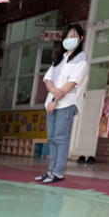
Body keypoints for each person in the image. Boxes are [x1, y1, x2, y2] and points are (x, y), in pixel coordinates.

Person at [38, 24, 88, 184]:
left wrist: (55, 100)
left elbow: (71, 83)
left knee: (60, 137)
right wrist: (53, 91)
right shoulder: (60, 58)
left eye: (73, 36)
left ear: (81, 39)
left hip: (66, 103)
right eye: (67, 37)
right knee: (52, 138)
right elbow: (48, 79)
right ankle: (51, 171)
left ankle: (58, 172)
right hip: (52, 103)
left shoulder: (81, 58)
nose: (69, 39)